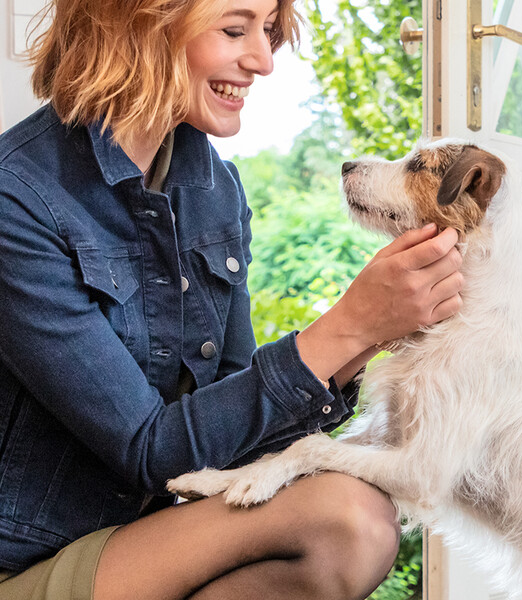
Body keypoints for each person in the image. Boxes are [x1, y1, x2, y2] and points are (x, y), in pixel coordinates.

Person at [0, 0, 463, 598]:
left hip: (151, 533)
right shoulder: (18, 199)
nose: (264, 60)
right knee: (348, 517)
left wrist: (374, 332)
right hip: (30, 559)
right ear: (143, 22)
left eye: (268, 32)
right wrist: (349, 325)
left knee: (357, 528)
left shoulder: (214, 188)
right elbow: (150, 450)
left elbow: (237, 440)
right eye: (235, 29)